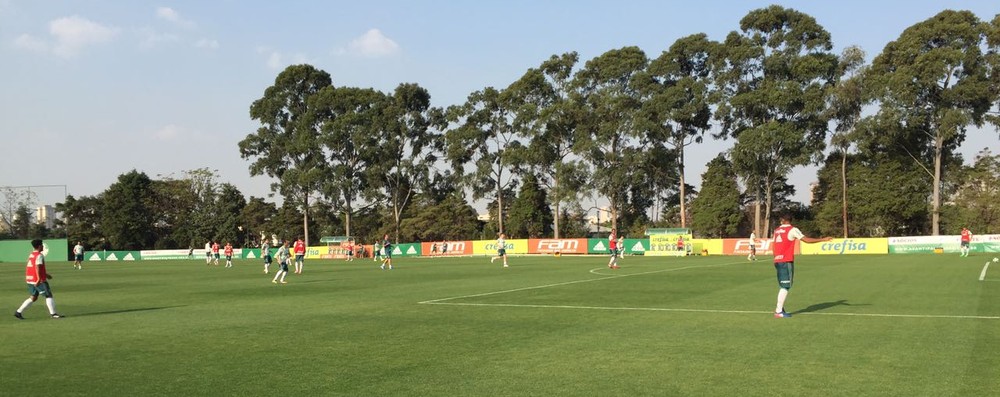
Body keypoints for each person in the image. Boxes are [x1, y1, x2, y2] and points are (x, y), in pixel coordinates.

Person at [771, 213, 832, 318]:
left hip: (777, 260)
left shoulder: (776, 230)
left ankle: (780, 308)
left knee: (783, 285)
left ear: (783, 220)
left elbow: (773, 245)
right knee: (786, 286)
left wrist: (775, 257)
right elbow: (806, 240)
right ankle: (779, 311)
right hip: (786, 260)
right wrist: (823, 239)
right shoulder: (792, 229)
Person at [14, 239, 62, 319]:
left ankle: (18, 312)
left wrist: (46, 274)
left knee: (33, 297)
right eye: (42, 245)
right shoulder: (39, 255)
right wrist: (39, 279)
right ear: (39, 246)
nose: (43, 246)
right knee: (48, 295)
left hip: (30, 278)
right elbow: (37, 267)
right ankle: (53, 314)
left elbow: (34, 266)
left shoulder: (32, 254)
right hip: (38, 280)